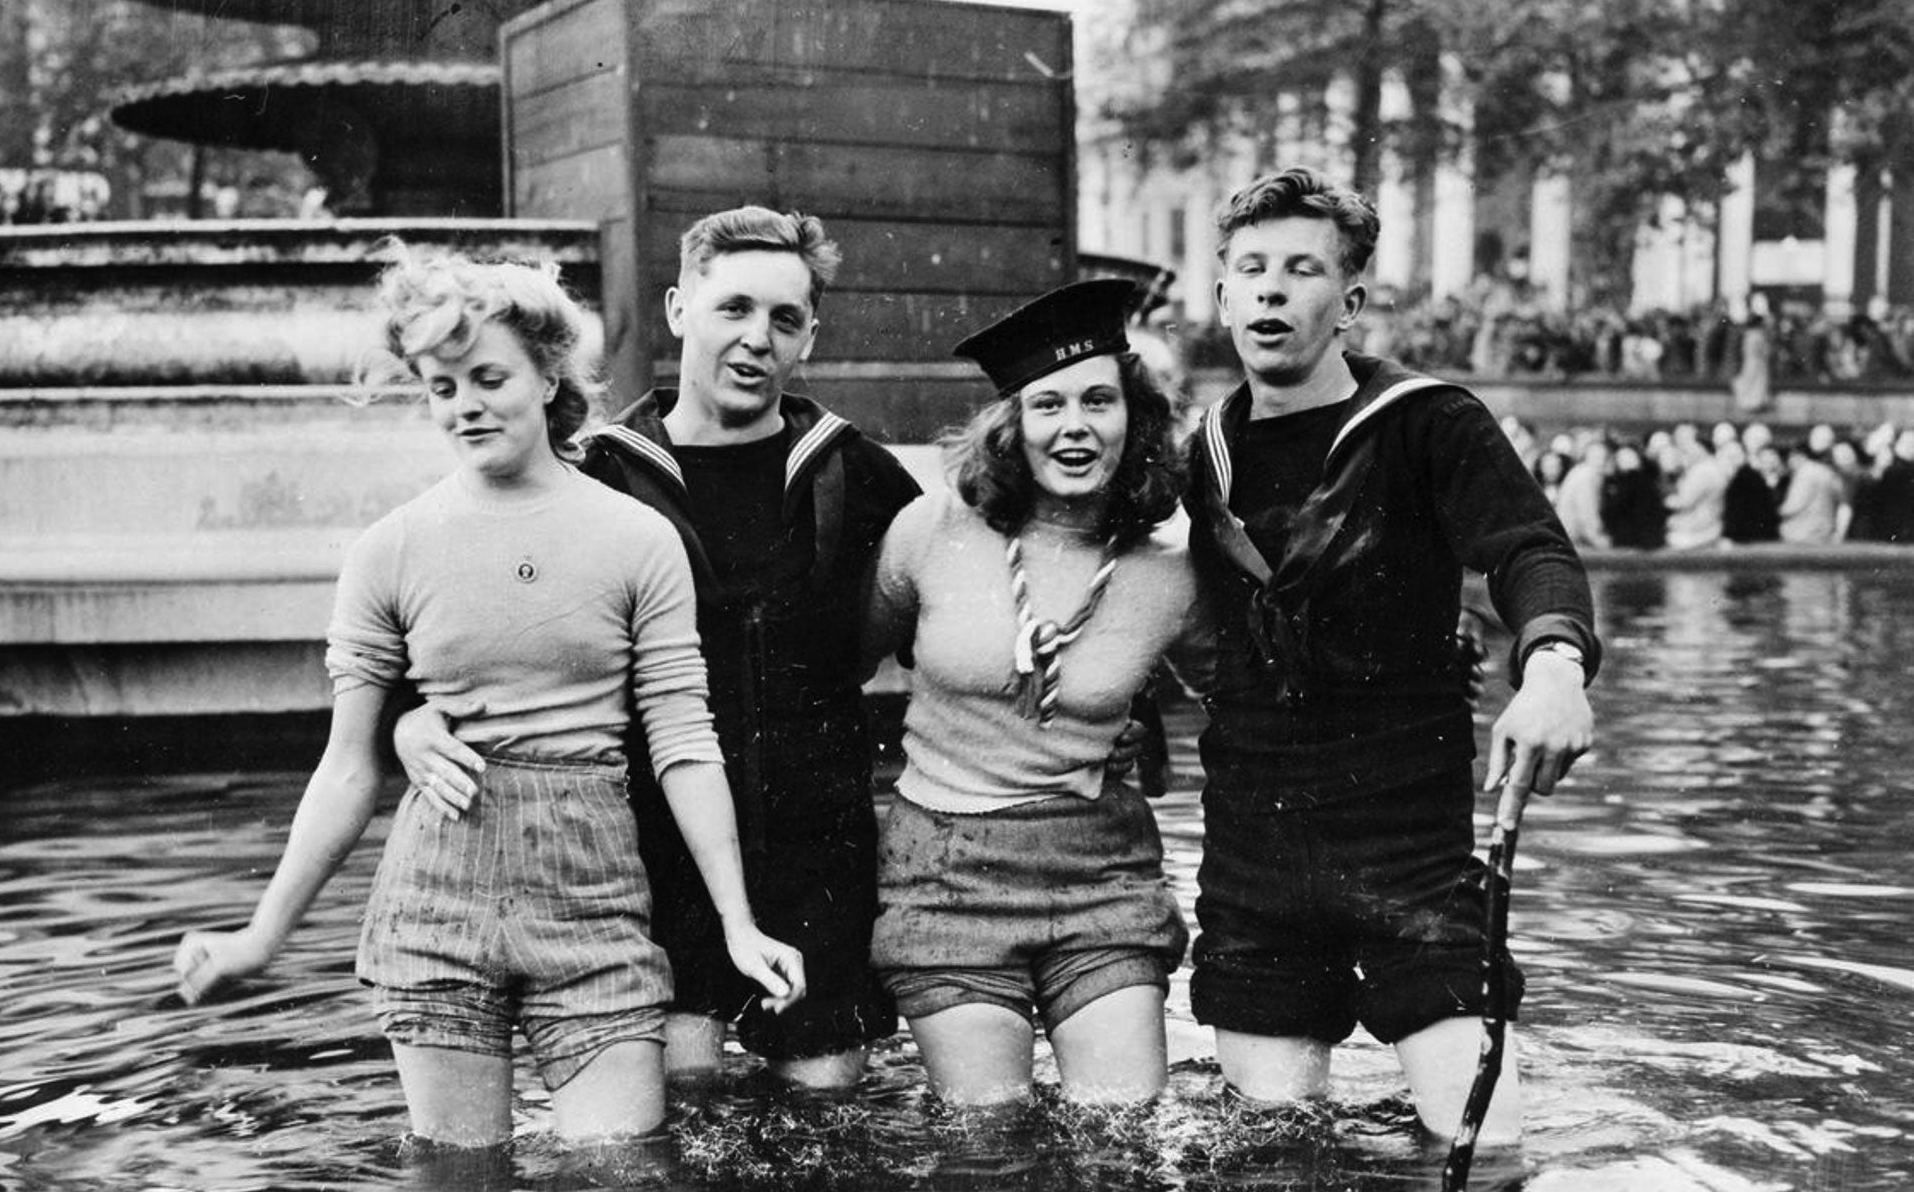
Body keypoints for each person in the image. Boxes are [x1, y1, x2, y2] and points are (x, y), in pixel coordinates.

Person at [172, 246, 802, 1145]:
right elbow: (348, 767)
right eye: (439, 386)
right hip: (438, 900)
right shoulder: (389, 550)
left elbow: (684, 741)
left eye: (488, 377)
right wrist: (260, 937)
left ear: (549, 375)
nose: (465, 405)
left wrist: (739, 924)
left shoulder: (638, 537)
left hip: (594, 899)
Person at [396, 208, 920, 1093]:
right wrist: (409, 724)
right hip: (646, 857)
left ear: (809, 338)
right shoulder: (593, 475)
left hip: (816, 854)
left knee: (828, 1110)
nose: (756, 339)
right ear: (680, 310)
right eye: (733, 309)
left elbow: (962, 608)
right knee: (680, 1108)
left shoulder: (853, 473)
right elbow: (461, 622)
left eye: (784, 320)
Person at [1184, 166, 1598, 1142]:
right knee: (1265, 1167)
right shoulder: (1199, 448)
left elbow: (1529, 551)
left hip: (1402, 832)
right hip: (1255, 835)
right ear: (1222, 297)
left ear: (1350, 301)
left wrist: (1551, 668)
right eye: (1251, 269)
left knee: (1482, 1154)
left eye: (1300, 269)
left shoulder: (1427, 423)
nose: (1271, 289)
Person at [862, 279, 1204, 1107]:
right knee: (988, 1150)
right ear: (1013, 425)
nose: (1075, 426)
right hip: (945, 869)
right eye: (1048, 405)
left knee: (1121, 1143)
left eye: (1098, 400)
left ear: (1137, 417)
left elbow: (1253, 696)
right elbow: (837, 668)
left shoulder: (1175, 569)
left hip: (1101, 871)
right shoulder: (930, 531)